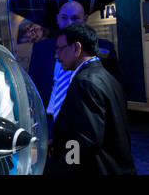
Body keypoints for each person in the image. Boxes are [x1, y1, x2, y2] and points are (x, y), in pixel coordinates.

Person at [47, 23, 136, 175]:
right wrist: (61, 143)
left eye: (59, 49)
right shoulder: (106, 76)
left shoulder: (85, 82)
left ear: (76, 48)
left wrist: (62, 168)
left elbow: (85, 140)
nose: (56, 56)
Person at [28, 1, 123, 137]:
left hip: (86, 122)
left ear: (85, 20)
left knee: (77, 155)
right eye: (64, 18)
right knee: (54, 156)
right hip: (49, 121)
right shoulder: (42, 48)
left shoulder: (103, 48)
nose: (69, 23)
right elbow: (33, 85)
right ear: (58, 19)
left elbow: (118, 85)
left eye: (75, 18)